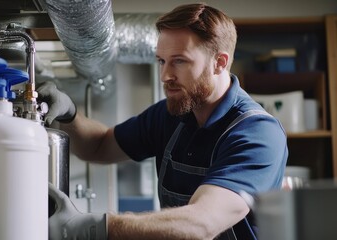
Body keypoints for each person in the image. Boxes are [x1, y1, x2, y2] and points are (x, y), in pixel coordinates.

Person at [38, 3, 288, 240]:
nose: (165, 75)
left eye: (179, 61)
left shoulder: (257, 133)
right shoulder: (170, 116)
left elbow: (201, 224)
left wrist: (98, 227)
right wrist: (69, 114)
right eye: (161, 61)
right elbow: (100, 146)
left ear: (219, 63)